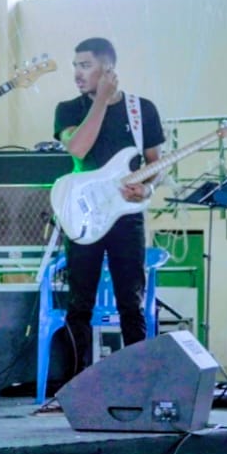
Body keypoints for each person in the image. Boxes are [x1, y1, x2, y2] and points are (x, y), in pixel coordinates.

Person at [52, 37, 163, 381]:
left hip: (126, 217)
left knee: (131, 301)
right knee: (79, 304)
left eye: (85, 65)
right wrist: (100, 100)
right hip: (84, 215)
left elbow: (155, 163)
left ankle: (137, 381)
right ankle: (76, 383)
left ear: (108, 68)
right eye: (75, 66)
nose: (77, 73)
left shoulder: (142, 110)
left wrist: (147, 187)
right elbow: (79, 149)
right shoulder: (68, 109)